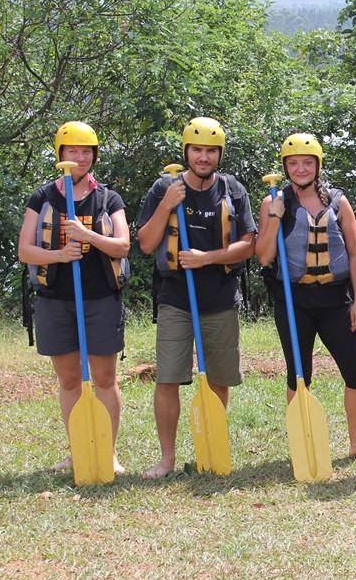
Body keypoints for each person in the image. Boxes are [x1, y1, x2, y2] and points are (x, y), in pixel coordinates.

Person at [136, 117, 256, 479]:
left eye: (210, 151)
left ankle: (211, 447)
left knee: (218, 379)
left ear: (218, 154)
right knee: (168, 379)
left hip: (220, 298)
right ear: (187, 151)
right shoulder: (164, 187)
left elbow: (248, 245)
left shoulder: (232, 190)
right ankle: (167, 459)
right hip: (176, 298)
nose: (203, 157)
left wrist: (207, 258)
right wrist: (166, 204)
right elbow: (145, 243)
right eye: (197, 150)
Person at [18, 121, 130, 474]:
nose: (80, 158)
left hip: (99, 298)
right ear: (60, 155)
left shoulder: (108, 198)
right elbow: (25, 250)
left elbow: (123, 245)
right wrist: (59, 256)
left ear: (94, 156)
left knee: (103, 378)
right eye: (72, 152)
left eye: (86, 152)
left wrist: (87, 235)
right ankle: (78, 449)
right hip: (56, 299)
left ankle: (108, 453)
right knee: (68, 379)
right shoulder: (43, 197)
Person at [255, 133, 356, 463]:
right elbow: (263, 256)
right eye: (293, 163)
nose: (300, 168)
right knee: (299, 373)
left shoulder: (338, 201)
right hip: (294, 303)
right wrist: (275, 216)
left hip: (336, 301)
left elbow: (355, 254)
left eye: (307, 162)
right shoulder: (273, 202)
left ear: (318, 165)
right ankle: (301, 442)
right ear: (285, 167)